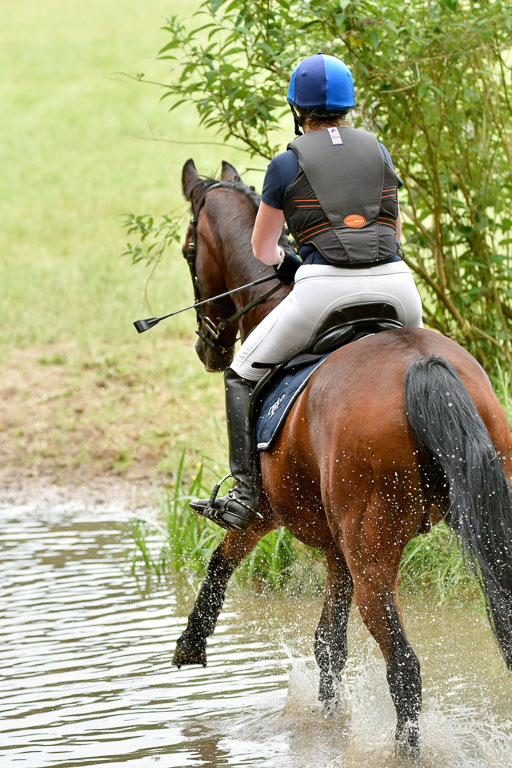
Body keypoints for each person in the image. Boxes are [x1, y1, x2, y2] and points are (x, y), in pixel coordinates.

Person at [190, 53, 423, 532]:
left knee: (239, 374)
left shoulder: (287, 162)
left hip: (324, 291)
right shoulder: (378, 151)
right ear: (347, 105)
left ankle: (244, 495)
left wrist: (298, 267)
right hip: (399, 287)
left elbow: (263, 249)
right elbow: (394, 232)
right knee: (424, 369)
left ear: (298, 108)